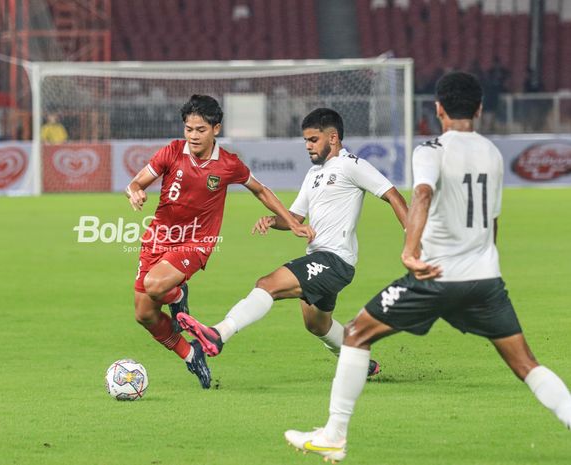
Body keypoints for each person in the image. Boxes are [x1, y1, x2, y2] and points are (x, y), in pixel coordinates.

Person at [284, 71, 571, 463]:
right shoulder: (492, 153)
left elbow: (421, 195)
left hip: (436, 276)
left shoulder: (429, 150)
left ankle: (334, 435)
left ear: (437, 109)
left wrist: (410, 250)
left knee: (355, 336)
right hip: (485, 280)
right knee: (526, 365)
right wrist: (484, 260)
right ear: (480, 109)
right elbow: (493, 221)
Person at [175, 108, 408, 378]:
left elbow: (393, 195)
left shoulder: (351, 165)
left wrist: (410, 235)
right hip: (320, 257)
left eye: (313, 140)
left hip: (335, 260)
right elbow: (295, 217)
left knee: (267, 284)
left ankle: (218, 334)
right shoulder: (314, 174)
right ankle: (358, 361)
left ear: (332, 138)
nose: (307, 146)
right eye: (306, 140)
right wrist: (274, 221)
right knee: (317, 325)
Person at [125, 94, 315, 389]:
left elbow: (261, 190)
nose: (193, 136)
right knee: (144, 314)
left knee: (155, 285)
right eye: (189, 129)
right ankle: (190, 355)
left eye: (200, 130)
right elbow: (136, 182)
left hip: (197, 242)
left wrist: (291, 222)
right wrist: (135, 191)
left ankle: (176, 296)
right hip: (159, 237)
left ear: (216, 128)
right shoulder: (172, 152)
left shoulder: (228, 164)